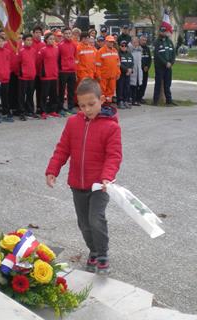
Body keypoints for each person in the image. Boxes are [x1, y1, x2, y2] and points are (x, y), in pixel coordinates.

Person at [45, 78, 122, 275]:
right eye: (82, 105)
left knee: (96, 220)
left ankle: (102, 254)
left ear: (102, 99)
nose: (87, 109)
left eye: (91, 104)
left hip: (99, 186)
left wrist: (107, 177)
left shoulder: (111, 127)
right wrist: (53, 169)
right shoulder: (73, 123)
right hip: (77, 185)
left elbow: (114, 156)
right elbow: (63, 149)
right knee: (84, 224)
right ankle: (93, 250)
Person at [37, 33, 60, 119]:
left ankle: (52, 110)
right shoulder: (43, 50)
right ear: (46, 40)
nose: (52, 40)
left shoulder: (56, 49)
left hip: (54, 75)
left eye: (53, 39)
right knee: (44, 94)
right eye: (50, 39)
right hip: (46, 75)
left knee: (53, 94)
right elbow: (39, 62)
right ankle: (43, 111)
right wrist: (42, 73)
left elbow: (56, 61)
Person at [152, 26, 176, 105]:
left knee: (168, 84)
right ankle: (155, 101)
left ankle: (169, 100)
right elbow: (157, 55)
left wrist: (171, 62)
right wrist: (165, 63)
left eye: (165, 31)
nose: (164, 33)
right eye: (162, 31)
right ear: (160, 32)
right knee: (158, 83)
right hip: (160, 66)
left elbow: (173, 53)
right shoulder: (157, 42)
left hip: (169, 67)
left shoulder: (169, 42)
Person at [0, 35, 14, 123]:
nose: (0, 43)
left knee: (5, 97)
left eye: (2, 41)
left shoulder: (8, 52)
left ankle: (6, 113)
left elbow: (10, 64)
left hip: (6, 78)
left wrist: (8, 73)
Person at [17, 34, 38, 121]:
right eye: (27, 40)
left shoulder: (34, 50)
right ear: (24, 41)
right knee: (22, 95)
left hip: (32, 76)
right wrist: (21, 73)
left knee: (30, 95)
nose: (29, 42)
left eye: (30, 40)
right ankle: (21, 112)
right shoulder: (21, 51)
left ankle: (30, 111)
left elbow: (35, 62)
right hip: (23, 77)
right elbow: (18, 63)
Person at [95, 35, 120, 106]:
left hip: (113, 76)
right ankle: (101, 105)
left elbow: (118, 64)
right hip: (103, 76)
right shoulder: (100, 51)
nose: (111, 43)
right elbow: (97, 65)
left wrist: (118, 73)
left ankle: (108, 104)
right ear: (106, 42)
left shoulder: (115, 51)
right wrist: (98, 75)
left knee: (111, 91)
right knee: (102, 91)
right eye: (110, 42)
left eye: (112, 42)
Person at [58, 27, 78, 115]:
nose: (68, 35)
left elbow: (75, 57)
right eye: (66, 33)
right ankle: (60, 107)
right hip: (63, 71)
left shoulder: (74, 45)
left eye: (69, 33)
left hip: (72, 71)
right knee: (61, 90)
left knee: (71, 90)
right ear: (63, 35)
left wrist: (75, 70)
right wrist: (60, 69)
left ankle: (71, 106)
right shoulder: (60, 45)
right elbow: (57, 58)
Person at [117, 40, 133, 109]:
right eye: (122, 46)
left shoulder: (129, 54)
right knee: (120, 88)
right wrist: (126, 69)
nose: (124, 47)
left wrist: (130, 69)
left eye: (125, 46)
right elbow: (119, 64)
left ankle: (126, 100)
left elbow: (132, 63)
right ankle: (120, 101)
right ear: (120, 46)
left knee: (127, 88)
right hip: (121, 74)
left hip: (128, 74)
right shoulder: (118, 54)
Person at [129, 37, 143, 105]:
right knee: (131, 86)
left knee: (137, 86)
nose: (135, 44)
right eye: (134, 42)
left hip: (138, 71)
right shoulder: (129, 50)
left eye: (136, 42)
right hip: (132, 71)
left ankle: (136, 100)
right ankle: (131, 99)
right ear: (131, 42)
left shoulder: (139, 50)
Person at [139, 35, 151, 104]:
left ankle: (142, 97)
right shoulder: (138, 48)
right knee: (139, 84)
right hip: (140, 69)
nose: (144, 42)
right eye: (143, 40)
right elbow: (138, 59)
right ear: (140, 40)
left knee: (144, 84)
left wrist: (147, 67)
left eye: (145, 40)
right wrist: (143, 66)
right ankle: (138, 97)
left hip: (146, 70)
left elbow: (149, 59)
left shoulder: (147, 49)